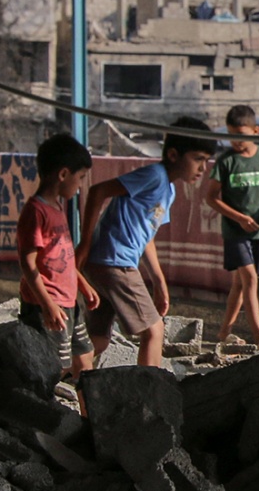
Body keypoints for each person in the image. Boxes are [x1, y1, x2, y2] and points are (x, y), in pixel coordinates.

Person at [77, 118, 218, 367]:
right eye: (198, 159)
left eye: (206, 160)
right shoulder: (154, 175)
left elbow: (147, 236)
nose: (203, 168)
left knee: (98, 340)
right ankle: (150, 394)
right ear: (174, 154)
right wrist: (85, 244)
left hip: (107, 263)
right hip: (114, 263)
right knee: (154, 330)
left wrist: (159, 281)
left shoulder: (169, 190)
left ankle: (55, 375)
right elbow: (98, 191)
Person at [16, 132, 99, 377]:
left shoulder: (57, 208)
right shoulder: (35, 212)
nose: (81, 184)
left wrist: (83, 285)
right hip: (47, 305)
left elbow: (61, 258)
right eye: (80, 177)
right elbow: (28, 264)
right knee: (52, 366)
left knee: (84, 356)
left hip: (68, 302)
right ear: (63, 174)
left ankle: (88, 413)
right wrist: (47, 305)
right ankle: (42, 409)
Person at [208, 105, 259, 347]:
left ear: (255, 131)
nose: (236, 142)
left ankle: (223, 332)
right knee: (250, 278)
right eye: (231, 136)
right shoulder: (226, 161)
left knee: (240, 284)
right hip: (235, 231)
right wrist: (238, 217)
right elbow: (211, 197)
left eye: (240, 135)